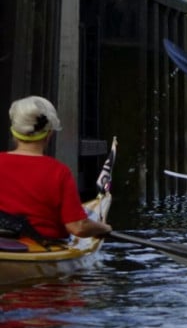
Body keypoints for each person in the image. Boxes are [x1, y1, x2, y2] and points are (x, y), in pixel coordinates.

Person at [0, 96, 112, 240]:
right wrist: (104, 227)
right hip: (44, 246)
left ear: (13, 131)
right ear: (49, 133)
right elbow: (77, 227)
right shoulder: (59, 172)